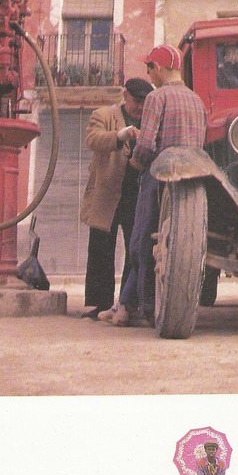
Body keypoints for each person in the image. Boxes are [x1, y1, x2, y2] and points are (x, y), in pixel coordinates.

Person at [111, 44, 207, 328]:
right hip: (190, 178)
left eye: (150, 67)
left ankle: (143, 307)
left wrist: (135, 165)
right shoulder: (196, 100)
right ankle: (130, 304)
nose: (149, 73)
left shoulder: (157, 98)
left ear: (162, 68)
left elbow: (147, 143)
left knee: (141, 242)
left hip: (159, 175)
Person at [80, 77, 153, 319]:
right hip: (107, 192)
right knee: (101, 248)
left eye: (144, 103)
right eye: (136, 101)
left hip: (137, 195)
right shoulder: (103, 114)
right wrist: (120, 135)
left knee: (136, 250)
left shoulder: (151, 119)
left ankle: (128, 303)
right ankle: (99, 304)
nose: (140, 108)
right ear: (125, 95)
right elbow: (93, 139)